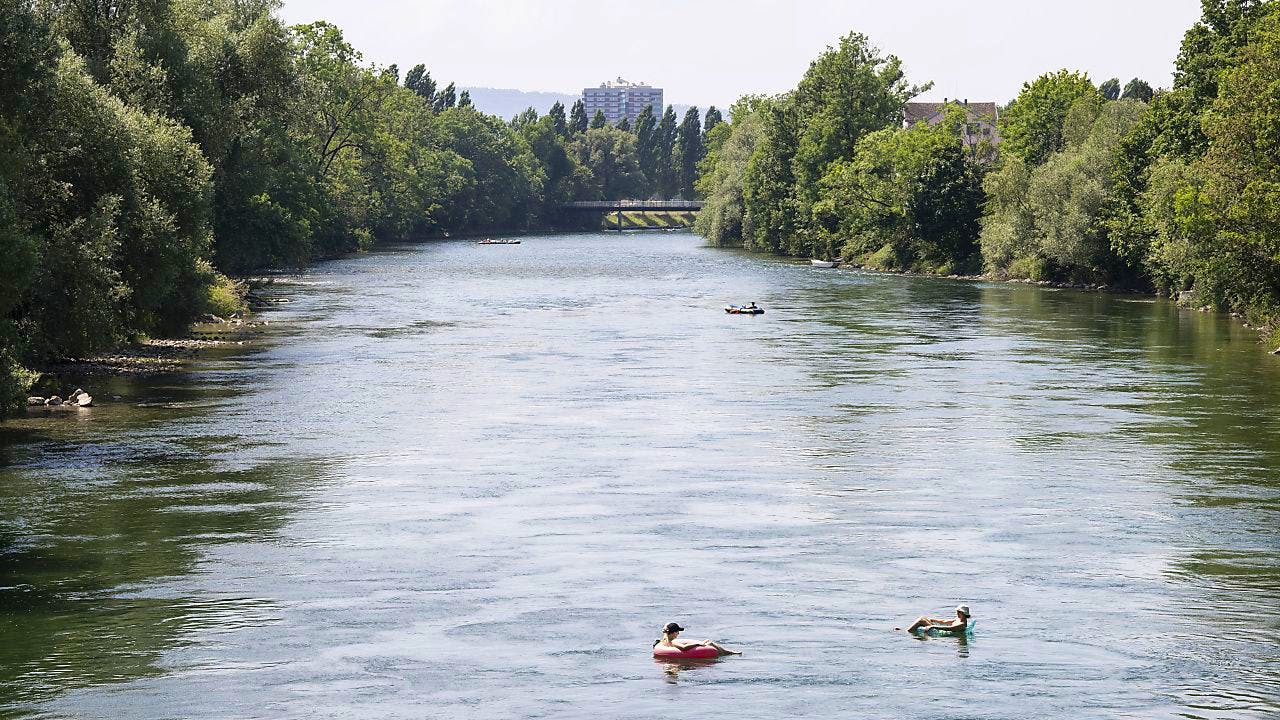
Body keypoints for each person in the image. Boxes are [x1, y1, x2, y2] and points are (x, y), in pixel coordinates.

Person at [653, 622, 741, 655]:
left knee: (707, 641)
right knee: (709, 643)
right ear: (673, 632)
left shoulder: (665, 638)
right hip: (685, 658)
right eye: (677, 632)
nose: (678, 633)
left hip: (670, 645)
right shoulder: (674, 641)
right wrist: (697, 644)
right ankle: (729, 653)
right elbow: (683, 648)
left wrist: (666, 628)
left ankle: (728, 652)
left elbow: (666, 628)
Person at [903, 605, 971, 634]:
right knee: (924, 618)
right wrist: (933, 620)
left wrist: (933, 626)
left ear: (963, 613)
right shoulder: (958, 619)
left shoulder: (961, 624)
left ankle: (907, 631)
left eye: (958, 612)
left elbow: (949, 628)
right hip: (939, 630)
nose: (957, 613)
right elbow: (945, 621)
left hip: (939, 633)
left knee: (922, 620)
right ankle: (908, 630)